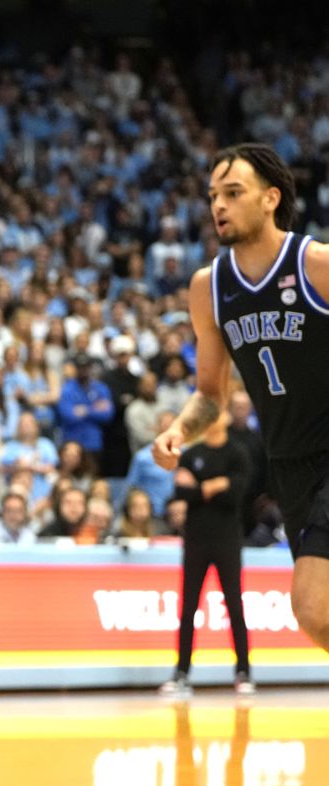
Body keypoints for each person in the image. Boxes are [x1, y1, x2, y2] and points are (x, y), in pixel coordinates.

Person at [152, 143, 329, 658]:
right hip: (288, 464)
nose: (219, 206)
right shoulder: (209, 288)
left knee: (313, 606)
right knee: (318, 619)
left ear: (271, 198)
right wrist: (179, 431)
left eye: (234, 193)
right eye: (213, 196)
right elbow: (211, 394)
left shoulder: (315, 264)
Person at [159, 413, 253, 697]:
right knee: (188, 607)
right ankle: (182, 673)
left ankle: (244, 671)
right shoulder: (193, 454)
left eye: (220, 411)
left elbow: (236, 496)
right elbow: (181, 492)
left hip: (227, 539)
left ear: (226, 417)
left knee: (234, 606)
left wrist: (201, 487)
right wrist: (215, 485)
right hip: (196, 539)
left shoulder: (238, 452)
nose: (214, 416)